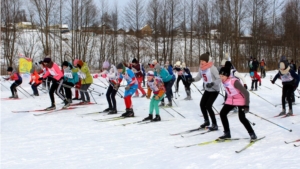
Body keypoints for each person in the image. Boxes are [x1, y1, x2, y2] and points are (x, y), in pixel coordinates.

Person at [218, 67, 257, 140]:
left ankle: (252, 134)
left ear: (227, 75)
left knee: (242, 118)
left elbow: (246, 93)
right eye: (220, 76)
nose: (221, 78)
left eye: (222, 76)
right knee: (222, 114)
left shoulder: (234, 82)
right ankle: (227, 133)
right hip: (231, 100)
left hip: (241, 100)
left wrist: (246, 105)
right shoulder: (224, 81)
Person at [188, 52, 221, 130]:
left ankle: (214, 124)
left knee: (208, 106)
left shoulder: (212, 68)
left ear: (207, 61)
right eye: (201, 60)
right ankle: (206, 121)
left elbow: (219, 79)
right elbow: (199, 77)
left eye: (203, 60)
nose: (201, 62)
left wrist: (212, 83)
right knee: (202, 104)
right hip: (207, 89)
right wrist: (192, 79)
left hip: (214, 90)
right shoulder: (201, 68)